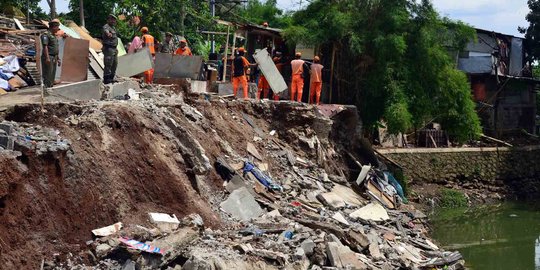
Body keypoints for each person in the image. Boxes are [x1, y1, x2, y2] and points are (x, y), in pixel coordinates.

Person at [40, 20, 61, 88]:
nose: (58, 29)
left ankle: (50, 87)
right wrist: (47, 58)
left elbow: (55, 48)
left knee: (52, 74)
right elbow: (45, 46)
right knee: (47, 74)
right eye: (57, 27)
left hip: (54, 57)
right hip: (48, 57)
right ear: (53, 27)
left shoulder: (54, 36)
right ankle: (46, 88)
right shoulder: (46, 35)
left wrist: (58, 58)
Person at [102, 14, 118, 84]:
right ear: (108, 20)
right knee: (108, 64)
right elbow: (106, 31)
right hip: (109, 48)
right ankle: (106, 79)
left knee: (115, 63)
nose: (113, 21)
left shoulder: (113, 28)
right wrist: (108, 34)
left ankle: (111, 78)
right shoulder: (106, 26)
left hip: (114, 48)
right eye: (111, 19)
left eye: (114, 20)